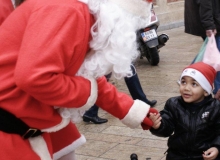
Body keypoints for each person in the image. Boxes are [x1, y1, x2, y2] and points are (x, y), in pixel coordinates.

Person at [0, 0, 158, 159]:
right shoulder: (69, 11)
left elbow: (85, 77)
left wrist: (134, 111)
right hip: (10, 125)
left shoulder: (85, 14)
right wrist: (86, 90)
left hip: (23, 120)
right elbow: (35, 77)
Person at [149, 62, 220, 160]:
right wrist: (158, 125)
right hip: (177, 156)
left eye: (194, 84)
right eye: (183, 82)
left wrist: (217, 148)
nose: (186, 88)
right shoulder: (174, 104)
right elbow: (167, 126)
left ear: (205, 91)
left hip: (205, 157)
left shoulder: (217, 108)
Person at [184, 0, 220, 101]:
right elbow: (205, 2)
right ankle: (219, 88)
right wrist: (209, 25)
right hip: (214, 20)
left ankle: (186, 77)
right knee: (218, 57)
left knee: (209, 54)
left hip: (211, 19)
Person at [83, 64, 157, 124]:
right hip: (106, 51)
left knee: (125, 69)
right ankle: (90, 112)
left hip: (108, 51)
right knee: (105, 76)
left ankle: (90, 112)